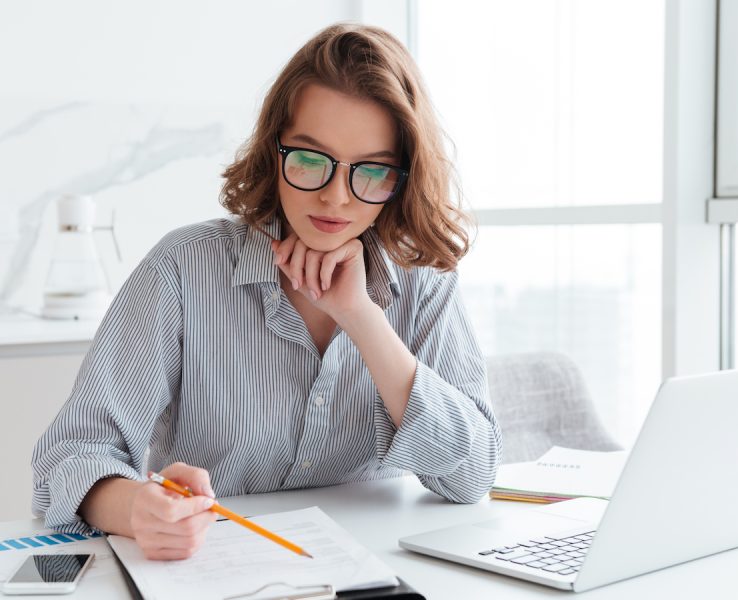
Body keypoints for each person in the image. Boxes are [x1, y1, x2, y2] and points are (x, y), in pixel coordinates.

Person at [32, 23, 502, 561]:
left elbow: (472, 474)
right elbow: (67, 458)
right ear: (273, 150)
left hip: (377, 573)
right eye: (309, 159)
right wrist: (138, 507)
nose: (335, 198)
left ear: (403, 175)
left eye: (371, 172)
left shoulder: (422, 279)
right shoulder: (184, 269)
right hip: (212, 574)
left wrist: (362, 318)